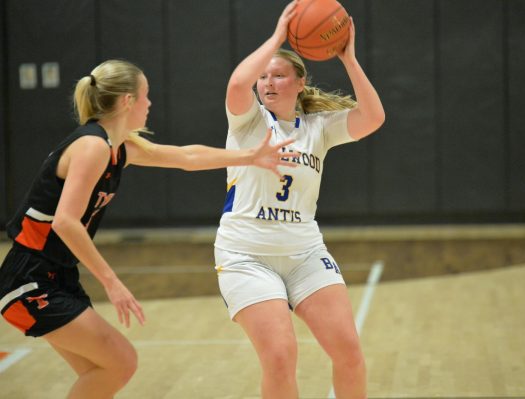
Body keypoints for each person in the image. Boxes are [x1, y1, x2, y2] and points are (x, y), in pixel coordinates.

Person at [0, 59, 298, 399]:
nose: (150, 104)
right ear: (128, 101)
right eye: (146, 95)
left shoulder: (118, 147)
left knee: (100, 374)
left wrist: (249, 157)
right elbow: (65, 221)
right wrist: (112, 283)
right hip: (30, 279)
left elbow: (185, 157)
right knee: (121, 362)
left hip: (57, 276)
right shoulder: (92, 146)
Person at [214, 1, 385, 398]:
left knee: (349, 353)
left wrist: (349, 59)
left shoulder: (318, 129)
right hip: (246, 255)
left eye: (279, 75)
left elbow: (373, 117)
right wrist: (277, 37)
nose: (268, 83)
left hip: (305, 252)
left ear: (300, 82)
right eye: (264, 77)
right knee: (279, 357)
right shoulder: (248, 121)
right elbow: (237, 86)